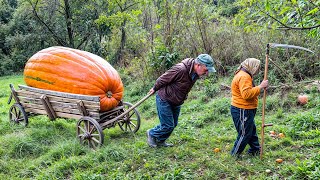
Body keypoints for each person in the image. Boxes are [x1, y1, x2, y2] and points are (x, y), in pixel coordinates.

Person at [146, 54, 216, 148]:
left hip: (176, 101)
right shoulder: (181, 69)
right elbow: (163, 78)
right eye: (206, 70)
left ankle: (160, 141)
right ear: (198, 65)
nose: (206, 73)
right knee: (168, 125)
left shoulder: (195, 73)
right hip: (165, 98)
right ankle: (151, 133)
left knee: (173, 124)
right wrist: (154, 88)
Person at [230, 58, 269, 157]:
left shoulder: (243, 74)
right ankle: (235, 154)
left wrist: (260, 87)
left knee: (251, 129)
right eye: (257, 67)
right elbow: (246, 94)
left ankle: (255, 149)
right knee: (245, 133)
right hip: (242, 109)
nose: (258, 70)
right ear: (252, 66)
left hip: (245, 109)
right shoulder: (244, 77)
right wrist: (260, 86)